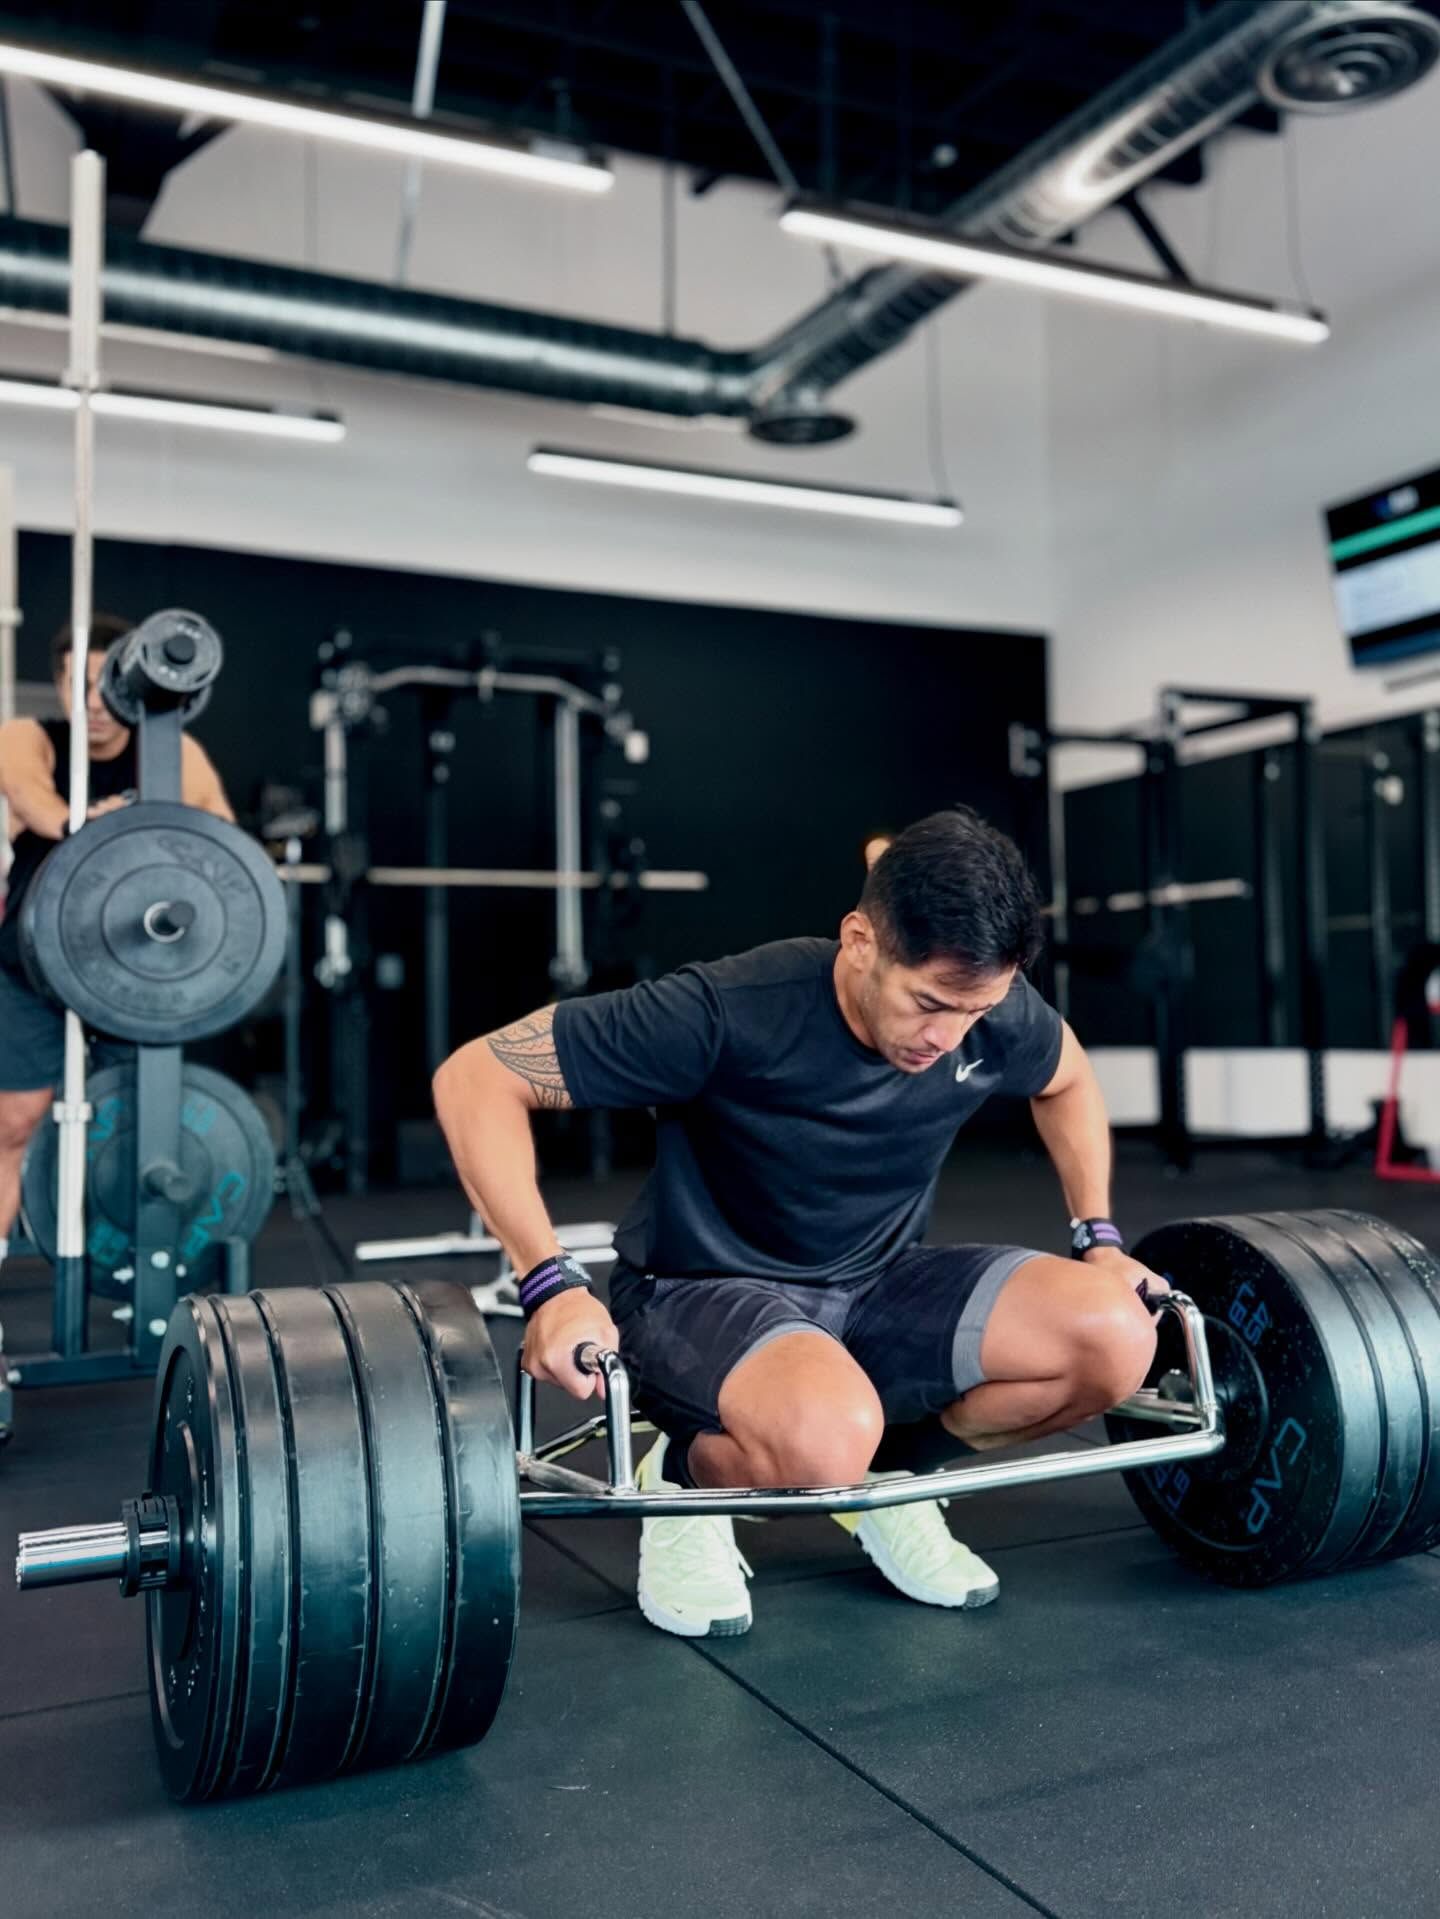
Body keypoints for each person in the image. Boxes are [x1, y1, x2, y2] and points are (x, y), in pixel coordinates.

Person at [433, 807, 1166, 1640]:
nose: (950, 1036)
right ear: (860, 942)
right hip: (700, 1288)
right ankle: (684, 1481)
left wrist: (1098, 1238)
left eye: (976, 1009)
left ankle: (890, 1482)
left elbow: (1065, 1078)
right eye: (929, 1002)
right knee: (825, 1437)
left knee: (1116, 1339)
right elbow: (475, 1078)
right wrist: (548, 1282)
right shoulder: (730, 1007)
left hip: (877, 1283)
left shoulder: (988, 1010)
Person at [0, 614, 234, 1278]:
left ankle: (147, 1272)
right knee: (14, 1123)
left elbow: (220, 833)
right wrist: (83, 825)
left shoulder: (170, 752)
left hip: (131, 974)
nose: (95, 702)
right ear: (58, 683)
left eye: (107, 683)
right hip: (30, 968)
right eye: (78, 683)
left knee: (144, 1125)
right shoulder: (32, 737)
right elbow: (29, 796)